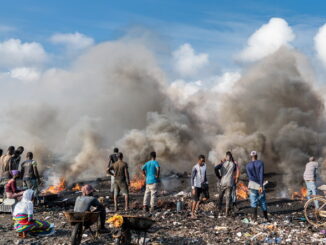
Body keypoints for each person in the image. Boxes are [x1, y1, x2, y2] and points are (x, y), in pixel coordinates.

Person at [246, 151, 268, 222]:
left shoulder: (248, 165)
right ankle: (266, 217)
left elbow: (250, 176)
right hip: (260, 184)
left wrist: (254, 181)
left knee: (253, 201)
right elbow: (261, 174)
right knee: (263, 201)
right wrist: (261, 185)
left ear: (251, 157)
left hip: (252, 184)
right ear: (257, 156)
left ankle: (254, 219)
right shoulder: (260, 163)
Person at [215, 151, 236, 216]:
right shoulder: (233, 164)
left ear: (226, 157)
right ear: (231, 157)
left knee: (220, 196)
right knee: (228, 198)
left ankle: (219, 210)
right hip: (230, 182)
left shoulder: (223, 164)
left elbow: (216, 168)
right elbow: (234, 170)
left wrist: (219, 176)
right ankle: (226, 213)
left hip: (223, 182)